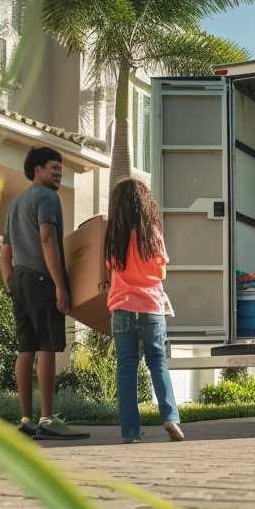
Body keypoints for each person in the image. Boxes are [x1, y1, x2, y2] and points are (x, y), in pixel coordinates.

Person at [0, 146, 83, 440]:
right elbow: (48, 240)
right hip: (42, 279)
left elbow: (4, 252)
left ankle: (24, 419)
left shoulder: (15, 203)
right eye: (53, 167)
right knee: (46, 347)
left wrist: (10, 283)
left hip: (20, 279)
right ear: (37, 170)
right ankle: (46, 419)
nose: (58, 172)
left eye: (61, 168)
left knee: (26, 348)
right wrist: (60, 285)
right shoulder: (48, 197)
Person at [104, 177, 184, 444]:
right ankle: (170, 417)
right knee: (158, 363)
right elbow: (161, 271)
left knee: (126, 369)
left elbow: (110, 268)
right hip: (151, 307)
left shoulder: (113, 236)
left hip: (122, 309)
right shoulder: (152, 234)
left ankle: (130, 432)